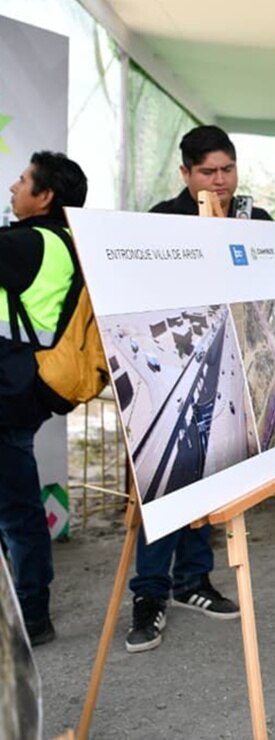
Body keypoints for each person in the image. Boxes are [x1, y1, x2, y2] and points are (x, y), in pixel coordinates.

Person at [128, 125, 264, 653]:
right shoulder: (160, 222)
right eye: (208, 171)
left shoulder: (255, 220)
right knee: (165, 487)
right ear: (185, 173)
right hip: (169, 380)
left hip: (231, 378)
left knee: (211, 484)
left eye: (227, 169)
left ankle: (193, 580)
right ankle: (150, 593)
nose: (220, 180)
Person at [0, 151, 88, 647]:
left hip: (7, 389)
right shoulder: (67, 244)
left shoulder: (26, 243)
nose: (14, 187)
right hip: (25, 387)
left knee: (17, 512)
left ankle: (32, 615)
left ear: (45, 195)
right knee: (14, 506)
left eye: (22, 181)